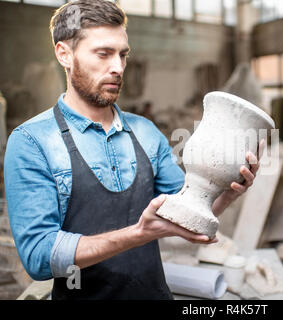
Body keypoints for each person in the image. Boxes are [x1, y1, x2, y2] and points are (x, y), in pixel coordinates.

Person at [4, 0, 261, 300]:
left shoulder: (145, 132)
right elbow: (38, 256)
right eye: (103, 54)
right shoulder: (33, 141)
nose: (118, 67)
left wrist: (226, 191)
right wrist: (138, 234)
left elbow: (186, 214)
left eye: (123, 55)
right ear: (64, 54)